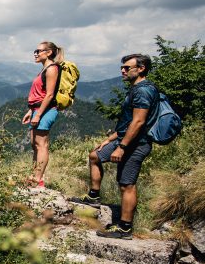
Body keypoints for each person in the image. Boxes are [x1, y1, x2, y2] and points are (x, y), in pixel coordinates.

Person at [72, 53, 159, 240]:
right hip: (123, 140)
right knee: (95, 156)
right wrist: (111, 140)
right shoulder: (136, 88)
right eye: (122, 67)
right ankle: (94, 196)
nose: (122, 71)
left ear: (141, 68)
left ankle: (125, 228)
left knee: (126, 185)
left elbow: (138, 122)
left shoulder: (143, 91)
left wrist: (122, 147)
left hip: (136, 144)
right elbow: (128, 122)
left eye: (127, 68)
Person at [21, 41, 63, 187]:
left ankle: (38, 179)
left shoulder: (52, 69)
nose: (36, 53)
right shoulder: (44, 69)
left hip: (45, 111)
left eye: (39, 51)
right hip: (36, 110)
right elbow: (40, 93)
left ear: (49, 52)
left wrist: (38, 114)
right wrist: (30, 111)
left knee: (41, 145)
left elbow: (50, 95)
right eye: (35, 51)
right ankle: (34, 175)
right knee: (35, 144)